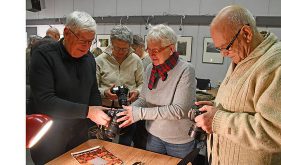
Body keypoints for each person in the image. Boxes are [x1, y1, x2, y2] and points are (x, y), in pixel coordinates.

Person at [194, 5, 281, 165]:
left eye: (226, 47)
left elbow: (279, 132)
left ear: (246, 33)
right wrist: (216, 107)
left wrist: (218, 119)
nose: (224, 55)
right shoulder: (243, 56)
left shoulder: (279, 63)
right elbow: (243, 103)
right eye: (219, 49)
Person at [29, 11, 111, 164]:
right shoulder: (44, 56)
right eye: (82, 41)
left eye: (90, 42)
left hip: (79, 134)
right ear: (66, 32)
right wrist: (88, 111)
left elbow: (92, 90)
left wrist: (99, 114)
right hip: (49, 137)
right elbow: (45, 101)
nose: (87, 47)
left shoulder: (89, 59)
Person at [116, 24, 197, 158]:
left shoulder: (186, 70)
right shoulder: (150, 68)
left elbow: (179, 110)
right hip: (154, 135)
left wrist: (139, 113)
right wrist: (128, 111)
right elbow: (143, 99)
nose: (151, 54)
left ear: (171, 49)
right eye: (149, 49)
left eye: (156, 50)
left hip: (178, 140)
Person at [95, 25, 144, 146]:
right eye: (117, 48)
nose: (121, 52)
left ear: (130, 45)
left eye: (125, 48)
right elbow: (93, 88)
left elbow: (143, 83)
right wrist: (105, 93)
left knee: (125, 145)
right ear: (111, 43)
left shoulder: (136, 60)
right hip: (106, 110)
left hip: (128, 111)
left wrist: (137, 92)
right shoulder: (100, 60)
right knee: (104, 145)